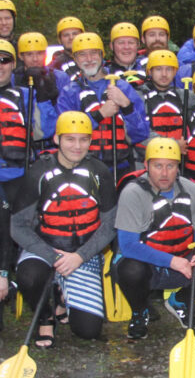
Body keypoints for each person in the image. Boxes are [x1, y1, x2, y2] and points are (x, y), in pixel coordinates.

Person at [11, 111, 116, 347]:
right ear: (57, 139)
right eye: (70, 139)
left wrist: (80, 256)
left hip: (82, 253)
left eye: (83, 139)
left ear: (91, 140)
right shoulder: (39, 171)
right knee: (29, 276)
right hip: (45, 247)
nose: (77, 146)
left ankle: (61, 293)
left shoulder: (100, 172)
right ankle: (45, 317)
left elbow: (110, 225)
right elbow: (18, 226)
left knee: (87, 331)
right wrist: (54, 257)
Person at [114, 137, 195, 339]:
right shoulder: (133, 193)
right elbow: (128, 246)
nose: (164, 173)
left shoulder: (190, 189)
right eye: (157, 166)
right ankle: (139, 311)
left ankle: (179, 301)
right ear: (146, 165)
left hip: (181, 260)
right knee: (130, 269)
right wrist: (172, 261)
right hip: (147, 266)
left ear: (178, 166)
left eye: (170, 166)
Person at [0, 39, 57, 327]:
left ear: (13, 64)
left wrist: (44, 99)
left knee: (24, 232)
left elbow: (44, 131)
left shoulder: (26, 94)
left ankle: (37, 293)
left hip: (19, 175)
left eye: (4, 60)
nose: (0, 66)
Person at [56, 32, 149, 180]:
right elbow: (64, 133)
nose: (89, 59)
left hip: (121, 167)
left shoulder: (122, 87)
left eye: (94, 53)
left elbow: (141, 134)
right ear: (75, 59)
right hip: (83, 167)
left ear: (102, 55)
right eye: (82, 55)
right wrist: (100, 114)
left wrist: (126, 106)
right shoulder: (69, 92)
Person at [135, 49, 195, 162]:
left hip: (177, 162)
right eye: (158, 69)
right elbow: (138, 132)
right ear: (150, 71)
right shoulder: (139, 97)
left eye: (169, 69)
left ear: (175, 72)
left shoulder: (183, 95)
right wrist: (172, 144)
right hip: (145, 160)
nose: (164, 74)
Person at [13, 32, 67, 152]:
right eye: (29, 54)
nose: (35, 59)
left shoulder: (59, 77)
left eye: (39, 53)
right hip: (24, 146)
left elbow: (66, 111)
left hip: (53, 145)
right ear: (21, 56)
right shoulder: (14, 79)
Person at [105, 22, 146, 89]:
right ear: (111, 46)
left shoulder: (148, 70)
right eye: (121, 43)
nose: (126, 47)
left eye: (131, 42)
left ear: (138, 45)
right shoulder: (104, 74)